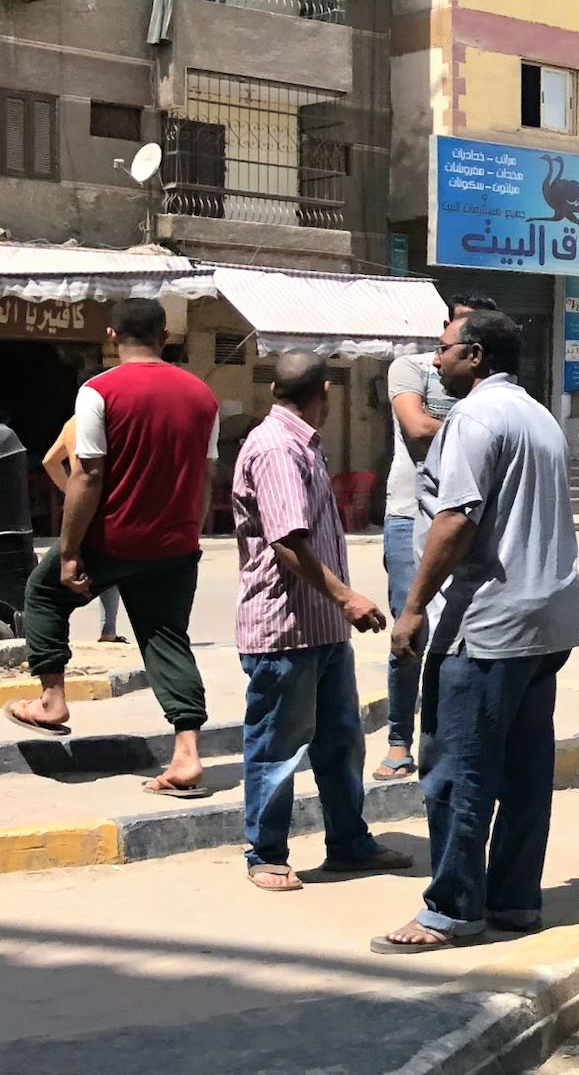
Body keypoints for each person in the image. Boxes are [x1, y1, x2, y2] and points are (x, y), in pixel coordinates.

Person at [374, 311, 579, 953]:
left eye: (444, 351)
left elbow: (457, 518)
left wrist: (412, 609)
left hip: (489, 622)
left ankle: (452, 910)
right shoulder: (538, 416)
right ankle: (514, 901)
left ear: (476, 356)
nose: (435, 362)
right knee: (523, 772)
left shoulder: (473, 419)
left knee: (457, 769)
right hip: (546, 621)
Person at [4, 299, 219, 794]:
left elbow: (88, 473)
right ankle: (187, 753)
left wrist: (72, 547)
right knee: (166, 637)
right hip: (176, 542)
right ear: (165, 338)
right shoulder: (201, 395)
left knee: (42, 592)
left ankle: (52, 700)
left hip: (114, 537)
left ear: (111, 335)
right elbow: (206, 477)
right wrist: (194, 533)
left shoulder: (99, 390)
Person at [232, 351, 414, 892]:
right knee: (277, 746)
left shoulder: (302, 443)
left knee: (340, 741)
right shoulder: (277, 448)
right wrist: (346, 598)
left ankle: (349, 843)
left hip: (322, 630)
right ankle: (265, 852)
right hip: (285, 629)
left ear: (274, 391)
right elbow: (288, 541)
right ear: (325, 393)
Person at [378, 290, 500, 782]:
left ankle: (449, 739)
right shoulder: (410, 369)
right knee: (410, 631)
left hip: (470, 519)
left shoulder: (494, 391)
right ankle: (398, 740)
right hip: (411, 516)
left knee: (463, 637)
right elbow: (418, 428)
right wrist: (477, 425)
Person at [42, 416, 122, 642]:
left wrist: (71, 494)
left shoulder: (72, 424)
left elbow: (50, 461)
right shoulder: (107, 422)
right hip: (104, 501)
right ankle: (109, 630)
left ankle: (105, 630)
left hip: (82, 505)